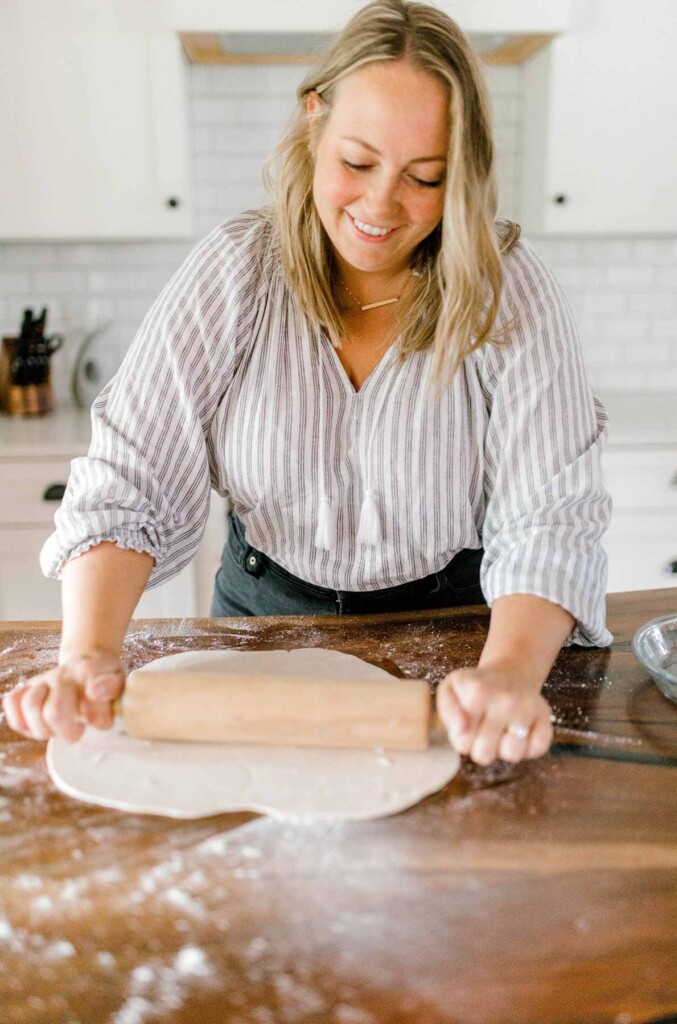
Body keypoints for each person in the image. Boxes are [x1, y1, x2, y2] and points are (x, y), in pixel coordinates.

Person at [3, 0, 612, 766]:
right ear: (312, 120)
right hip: (258, 623)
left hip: (458, 647)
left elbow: (547, 516)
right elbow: (132, 475)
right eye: (357, 163)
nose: (382, 205)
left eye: (425, 178)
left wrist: (508, 674)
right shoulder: (237, 271)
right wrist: (88, 653)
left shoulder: (506, 292)